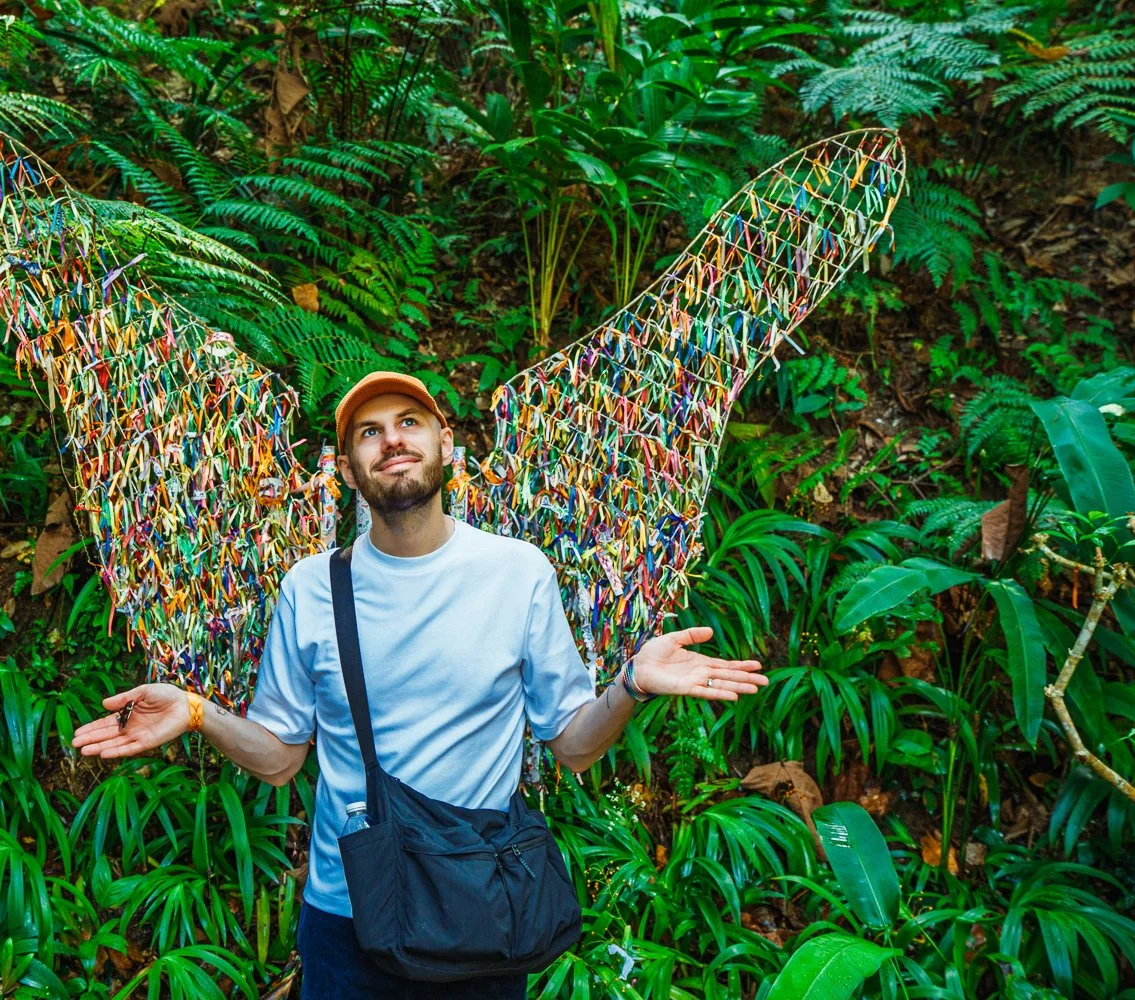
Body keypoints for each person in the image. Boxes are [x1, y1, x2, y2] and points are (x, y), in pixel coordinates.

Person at [71, 370, 769, 998]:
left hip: (481, 910)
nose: (392, 441)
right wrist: (197, 712)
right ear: (348, 470)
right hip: (349, 916)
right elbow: (282, 758)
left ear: (447, 445)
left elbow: (574, 746)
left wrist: (631, 687)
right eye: (369, 433)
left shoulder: (517, 573)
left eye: (408, 422)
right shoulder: (312, 590)